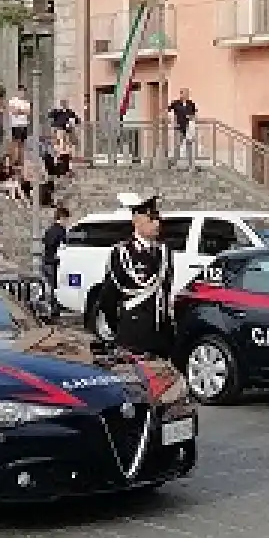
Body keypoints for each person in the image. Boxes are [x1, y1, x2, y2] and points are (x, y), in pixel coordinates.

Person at [98, 193, 177, 359]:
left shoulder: (165, 251)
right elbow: (108, 297)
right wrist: (119, 327)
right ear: (136, 220)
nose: (157, 224)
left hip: (160, 335)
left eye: (157, 219)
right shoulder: (122, 253)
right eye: (151, 220)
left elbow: (166, 291)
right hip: (132, 335)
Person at [42, 204, 70, 296]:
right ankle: (54, 307)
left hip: (46, 261)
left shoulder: (50, 230)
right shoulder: (61, 231)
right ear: (62, 218)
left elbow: (45, 241)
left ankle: (49, 306)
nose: (67, 222)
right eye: (66, 219)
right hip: (54, 263)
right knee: (55, 288)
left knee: (49, 287)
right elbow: (62, 246)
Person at [167, 88, 199, 169]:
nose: (182, 95)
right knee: (177, 145)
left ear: (187, 94)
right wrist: (171, 120)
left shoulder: (191, 104)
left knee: (189, 146)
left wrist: (191, 118)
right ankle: (174, 163)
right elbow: (168, 110)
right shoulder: (176, 103)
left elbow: (194, 115)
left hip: (188, 128)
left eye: (184, 93)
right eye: (181, 93)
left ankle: (191, 165)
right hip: (179, 128)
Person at [7, 86, 32, 164]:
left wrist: (19, 110)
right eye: (20, 91)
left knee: (22, 143)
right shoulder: (13, 101)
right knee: (15, 142)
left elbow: (28, 112)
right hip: (15, 124)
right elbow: (11, 110)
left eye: (23, 92)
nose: (22, 93)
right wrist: (21, 111)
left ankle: (21, 160)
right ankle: (14, 159)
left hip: (24, 124)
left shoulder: (26, 102)